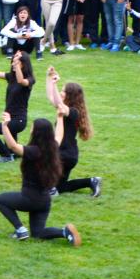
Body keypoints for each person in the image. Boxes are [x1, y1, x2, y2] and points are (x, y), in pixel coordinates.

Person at [0, 109, 82, 246]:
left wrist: (5, 126)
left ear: (36, 133)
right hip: (44, 201)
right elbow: (59, 135)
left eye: (32, 127)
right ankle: (65, 232)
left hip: (29, 199)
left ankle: (20, 229)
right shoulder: (53, 148)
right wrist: (59, 118)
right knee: (37, 233)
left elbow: (13, 146)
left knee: (1, 200)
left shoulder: (34, 151)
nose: (30, 129)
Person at [45, 66, 101, 197]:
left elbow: (60, 106)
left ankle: (50, 188)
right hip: (68, 154)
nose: (60, 92)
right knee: (62, 187)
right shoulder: (69, 109)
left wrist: (54, 83)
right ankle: (92, 181)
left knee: (42, 160)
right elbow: (51, 97)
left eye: (63, 91)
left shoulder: (73, 112)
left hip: (64, 154)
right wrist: (49, 77)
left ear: (70, 95)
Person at [0, 46, 34, 163]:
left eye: (17, 60)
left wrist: (16, 65)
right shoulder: (11, 77)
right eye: (14, 59)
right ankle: (15, 154)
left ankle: (5, 156)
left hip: (18, 120)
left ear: (24, 64)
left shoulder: (30, 79)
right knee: (13, 149)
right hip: (9, 118)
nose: (14, 61)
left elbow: (21, 81)